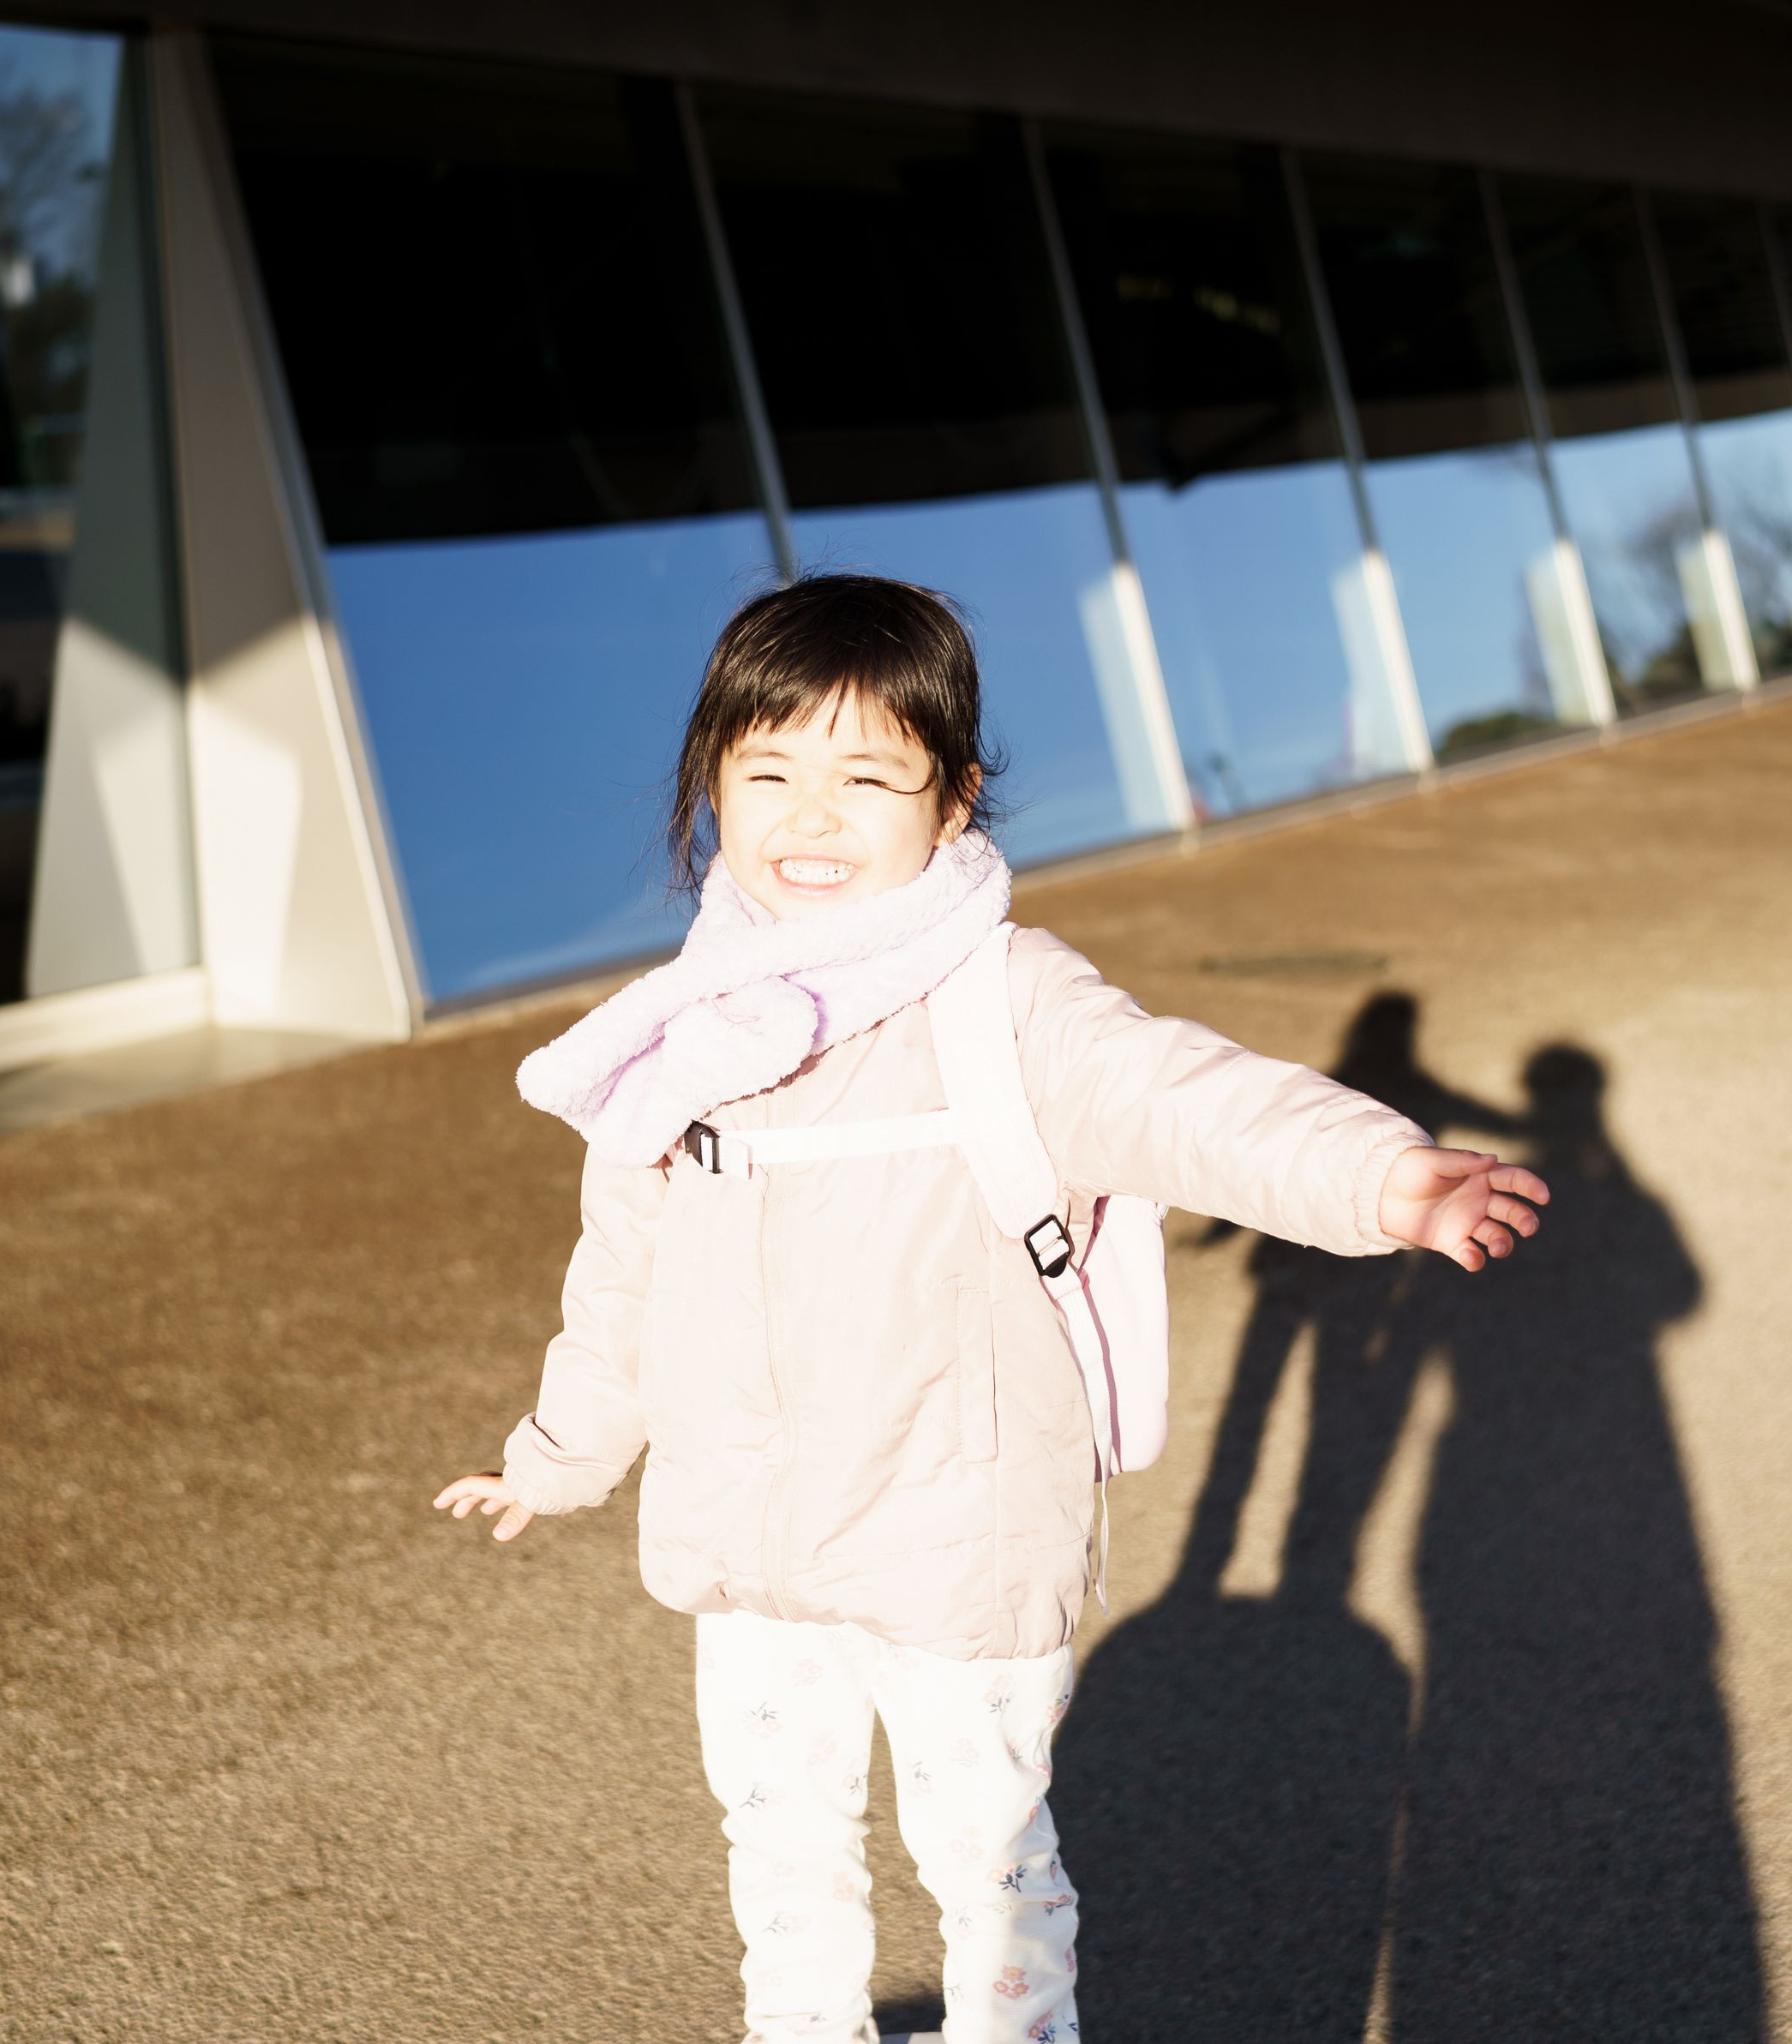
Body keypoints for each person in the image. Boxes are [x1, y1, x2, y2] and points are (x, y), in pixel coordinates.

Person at [434, 575, 1549, 2044]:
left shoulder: (1002, 999)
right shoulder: (687, 1028)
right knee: (780, 1856)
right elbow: (624, 1276)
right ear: (712, 783)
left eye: (865, 777)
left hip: (958, 1539)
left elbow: (1184, 1099)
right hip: (752, 1549)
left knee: (990, 1870)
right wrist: (560, 1455)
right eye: (768, 772)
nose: (811, 817)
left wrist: (1381, 1178)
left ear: (952, 799)